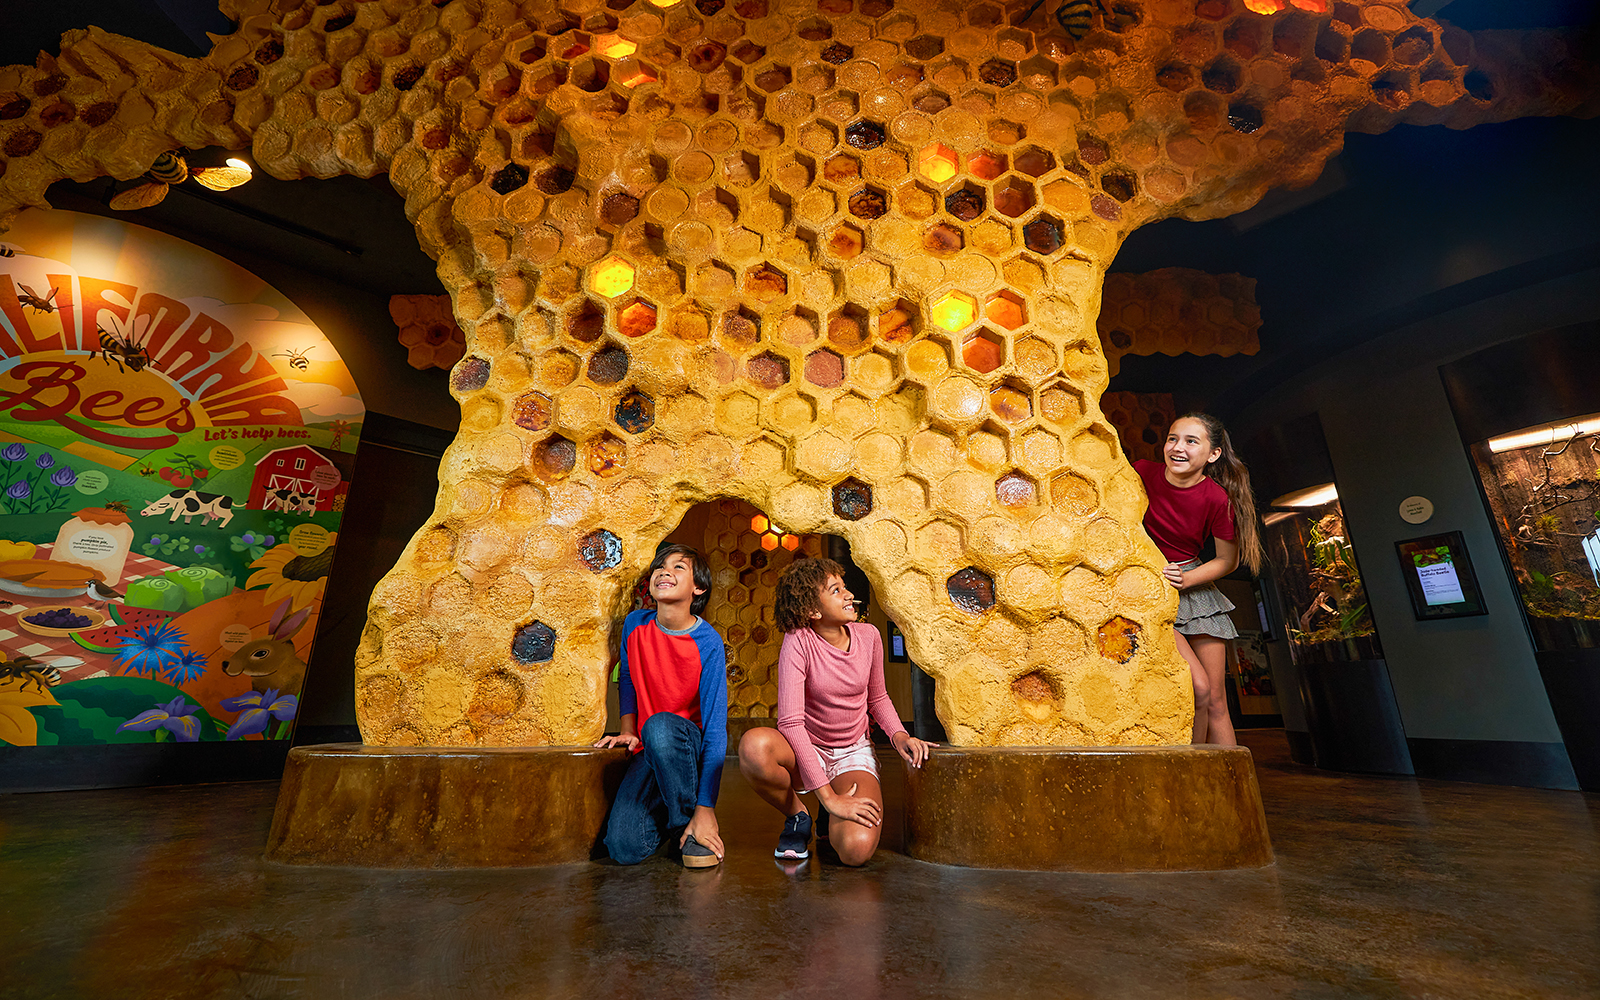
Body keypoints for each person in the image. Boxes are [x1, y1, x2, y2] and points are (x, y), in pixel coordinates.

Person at [738, 557, 935, 866]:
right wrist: (829, 799)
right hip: (807, 749)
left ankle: (827, 819)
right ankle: (799, 816)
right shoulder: (798, 641)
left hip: (851, 752)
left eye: (844, 587)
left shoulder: (869, 636)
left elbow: (878, 697)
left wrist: (900, 736)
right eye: (836, 590)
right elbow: (790, 724)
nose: (848, 594)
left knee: (855, 850)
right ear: (812, 611)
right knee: (754, 746)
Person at [1134, 412, 1263, 747]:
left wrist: (1187, 579)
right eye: (1173, 438)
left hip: (1192, 588)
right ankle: (1195, 770)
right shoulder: (1140, 472)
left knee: (1217, 700)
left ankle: (1230, 780)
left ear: (1213, 454)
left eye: (1191, 441)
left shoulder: (1217, 498)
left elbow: (1227, 560)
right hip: (1148, 587)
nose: (1178, 447)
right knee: (1198, 688)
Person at [595, 544, 728, 868]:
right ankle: (675, 821)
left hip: (684, 748)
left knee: (660, 727)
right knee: (623, 848)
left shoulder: (708, 642)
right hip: (649, 747)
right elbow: (628, 677)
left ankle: (689, 826)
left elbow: (715, 730)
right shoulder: (634, 625)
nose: (664, 571)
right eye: (660, 566)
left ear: (698, 588)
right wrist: (628, 729)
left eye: (678, 567)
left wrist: (706, 808)